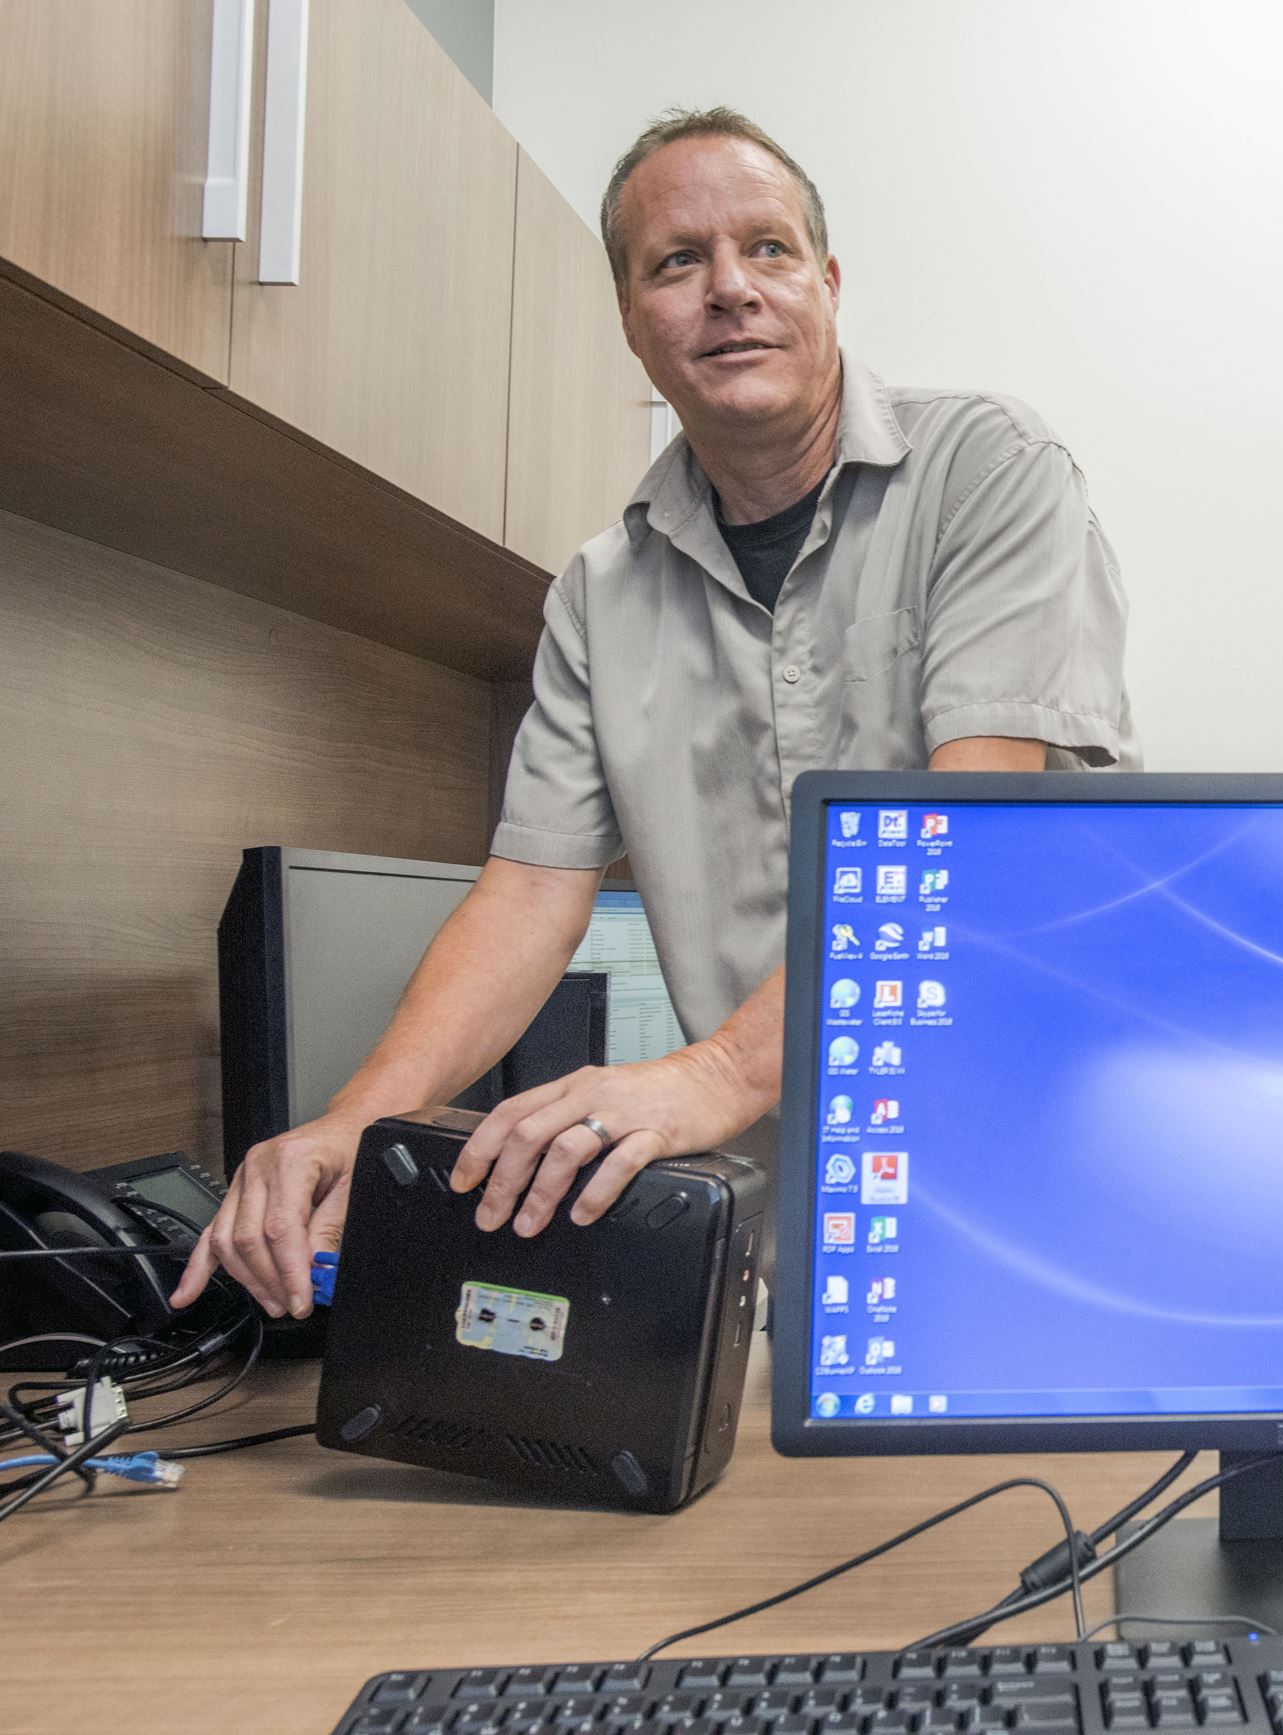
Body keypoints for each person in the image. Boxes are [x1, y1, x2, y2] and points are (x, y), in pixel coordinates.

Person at [174, 107, 1136, 1321]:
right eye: (677, 262)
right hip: (801, 1227)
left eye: (768, 250)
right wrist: (357, 1123)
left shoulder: (986, 471)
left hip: (1041, 1190)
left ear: (827, 284)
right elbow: (528, 894)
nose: (729, 288)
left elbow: (968, 830)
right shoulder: (598, 593)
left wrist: (715, 1071)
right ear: (631, 323)